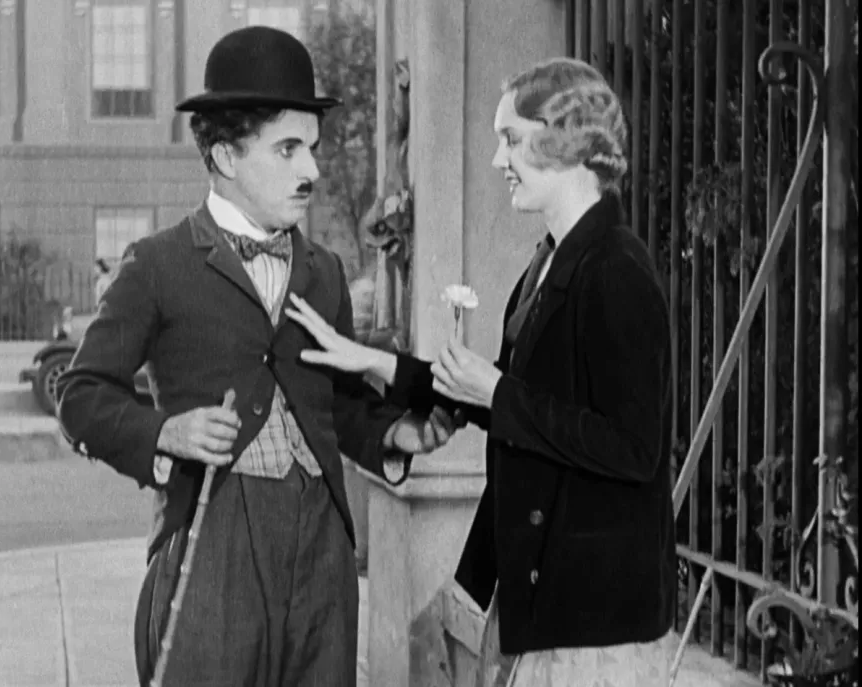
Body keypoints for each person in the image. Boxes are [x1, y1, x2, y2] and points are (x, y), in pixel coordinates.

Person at [56, 26, 460, 687]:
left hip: (323, 549)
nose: (313, 170)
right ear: (225, 155)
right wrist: (166, 431)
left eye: (314, 149)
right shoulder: (157, 265)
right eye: (289, 149)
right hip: (213, 535)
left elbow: (336, 407)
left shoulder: (325, 272)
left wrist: (395, 430)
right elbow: (80, 395)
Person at [286, 57, 677, 687]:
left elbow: (633, 449)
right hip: (543, 604)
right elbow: (501, 393)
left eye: (512, 140)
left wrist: (499, 392)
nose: (498, 161)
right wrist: (376, 362)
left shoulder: (617, 271)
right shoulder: (548, 263)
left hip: (598, 622)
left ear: (567, 137)